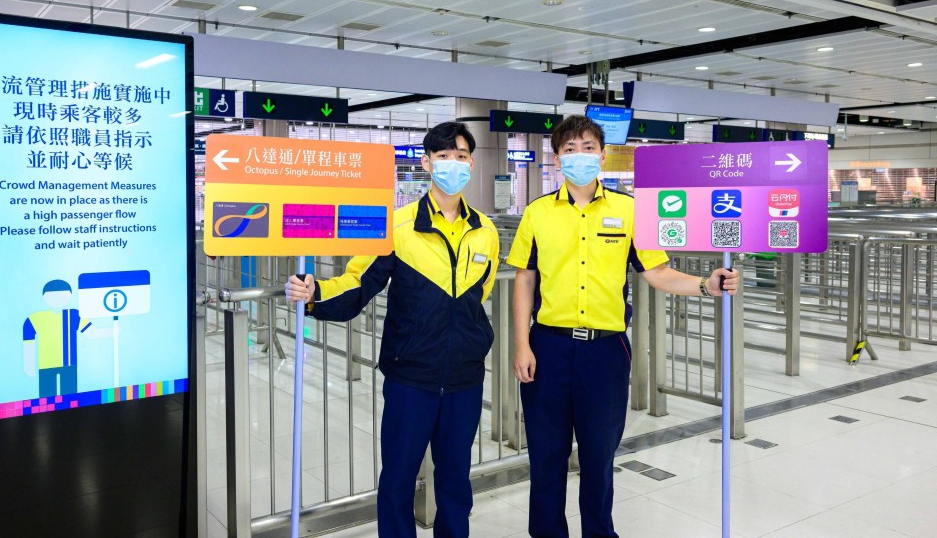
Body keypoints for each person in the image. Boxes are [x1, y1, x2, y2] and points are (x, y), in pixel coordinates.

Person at [507, 115, 740, 538]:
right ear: (558, 157)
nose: (580, 156)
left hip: (605, 351)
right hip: (549, 348)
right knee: (546, 455)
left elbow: (658, 271)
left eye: (588, 147)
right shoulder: (537, 213)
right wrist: (521, 344)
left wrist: (706, 285)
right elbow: (524, 278)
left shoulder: (630, 209)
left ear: (602, 153)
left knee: (598, 455)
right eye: (570, 149)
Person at [285, 121, 500, 538]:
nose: (452, 165)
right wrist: (315, 294)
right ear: (426, 163)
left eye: (459, 157)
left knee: (456, 478)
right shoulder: (397, 227)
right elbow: (357, 282)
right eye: (442, 157)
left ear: (471, 163)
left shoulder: (486, 232)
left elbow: (480, 295)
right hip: (410, 377)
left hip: (464, 377)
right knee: (399, 476)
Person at [23, 279, 93, 398]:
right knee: (46, 399)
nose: (57, 298)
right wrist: (29, 365)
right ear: (44, 297)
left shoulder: (74, 315)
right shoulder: (35, 318)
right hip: (45, 365)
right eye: (52, 296)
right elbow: (29, 342)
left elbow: (91, 333)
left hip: (69, 364)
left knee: (70, 398)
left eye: (62, 295)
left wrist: (113, 331)